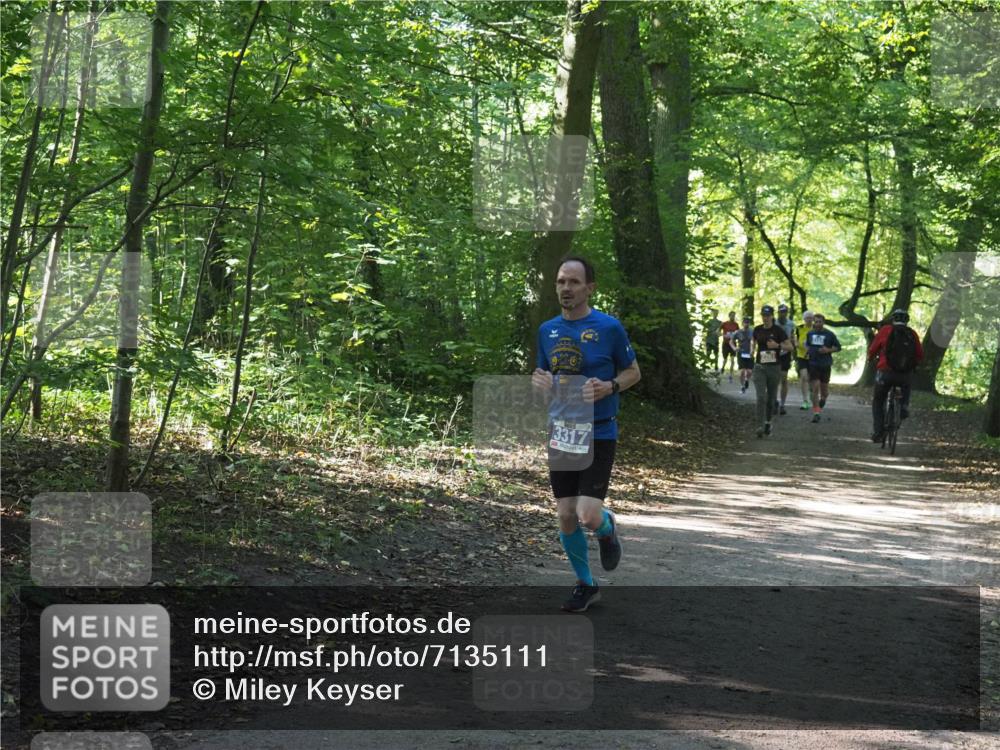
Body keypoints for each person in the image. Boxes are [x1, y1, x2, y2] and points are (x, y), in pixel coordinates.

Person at [533, 255, 640, 612]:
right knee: (565, 513)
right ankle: (586, 584)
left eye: (574, 282)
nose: (566, 288)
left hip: (599, 431)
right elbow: (545, 378)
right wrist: (541, 382)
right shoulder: (546, 330)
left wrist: (610, 386)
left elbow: (633, 372)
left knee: (588, 515)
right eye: (561, 282)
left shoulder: (608, 328)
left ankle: (607, 528)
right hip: (562, 431)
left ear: (589, 288)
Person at [868, 309, 924, 442]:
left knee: (878, 401)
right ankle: (904, 406)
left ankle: (878, 433)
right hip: (904, 375)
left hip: (885, 373)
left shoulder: (885, 330)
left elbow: (873, 349)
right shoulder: (912, 334)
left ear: (893, 319)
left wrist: (870, 358)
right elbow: (920, 355)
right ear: (907, 321)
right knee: (906, 384)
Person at [750, 305, 793, 437]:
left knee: (771, 398)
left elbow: (790, 346)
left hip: (774, 368)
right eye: (763, 315)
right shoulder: (757, 329)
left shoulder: (778, 330)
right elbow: (754, 341)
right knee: (761, 397)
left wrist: (777, 346)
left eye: (768, 315)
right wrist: (752, 350)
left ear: (772, 316)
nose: (766, 318)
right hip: (760, 368)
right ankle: (759, 426)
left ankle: (768, 421)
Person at [804, 313, 841, 423]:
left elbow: (838, 347)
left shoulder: (830, 334)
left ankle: (823, 399)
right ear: (814, 322)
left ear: (823, 322)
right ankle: (816, 412)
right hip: (813, 364)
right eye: (816, 321)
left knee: (824, 391)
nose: (818, 324)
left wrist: (828, 350)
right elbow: (808, 344)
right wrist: (808, 351)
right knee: (815, 388)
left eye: (820, 322)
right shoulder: (810, 334)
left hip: (825, 364)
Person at [776, 303, 796, 415]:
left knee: (783, 378)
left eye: (784, 312)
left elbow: (793, 338)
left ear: (787, 313)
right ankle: (774, 402)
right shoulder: (773, 322)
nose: (782, 314)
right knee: (774, 379)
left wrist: (793, 353)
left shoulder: (791, 324)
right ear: (778, 312)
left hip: (786, 353)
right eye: (780, 312)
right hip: (774, 353)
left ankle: (782, 405)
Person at [794, 311, 815, 410]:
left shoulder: (816, 329)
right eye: (807, 318)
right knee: (804, 377)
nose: (809, 320)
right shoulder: (799, 328)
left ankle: (812, 396)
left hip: (813, 357)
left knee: (811, 379)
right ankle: (805, 400)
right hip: (801, 356)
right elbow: (795, 342)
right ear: (804, 319)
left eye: (811, 318)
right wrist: (801, 346)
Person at [730, 316, 755, 393]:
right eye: (745, 322)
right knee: (742, 372)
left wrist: (752, 350)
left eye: (747, 322)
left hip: (749, 354)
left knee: (749, 372)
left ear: (749, 324)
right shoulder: (738, 332)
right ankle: (742, 386)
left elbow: (753, 342)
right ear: (742, 323)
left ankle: (747, 380)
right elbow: (731, 341)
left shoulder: (752, 332)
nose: (746, 324)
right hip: (741, 353)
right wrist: (734, 348)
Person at [720, 311, 740, 382]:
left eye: (734, 316)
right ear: (729, 316)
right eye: (731, 315)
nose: (733, 317)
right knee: (725, 359)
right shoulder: (724, 323)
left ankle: (730, 375)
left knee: (732, 360)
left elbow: (739, 333)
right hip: (725, 343)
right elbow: (717, 331)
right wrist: (722, 335)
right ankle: (722, 367)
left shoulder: (736, 324)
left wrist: (737, 336)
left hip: (733, 344)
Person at [704, 309, 722, 373]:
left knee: (716, 354)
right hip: (709, 340)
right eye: (714, 313)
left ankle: (716, 366)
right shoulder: (708, 322)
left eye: (716, 313)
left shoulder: (720, 322)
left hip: (715, 340)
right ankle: (704, 366)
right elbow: (704, 330)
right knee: (707, 354)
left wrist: (719, 334)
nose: (715, 314)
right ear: (712, 314)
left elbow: (720, 332)